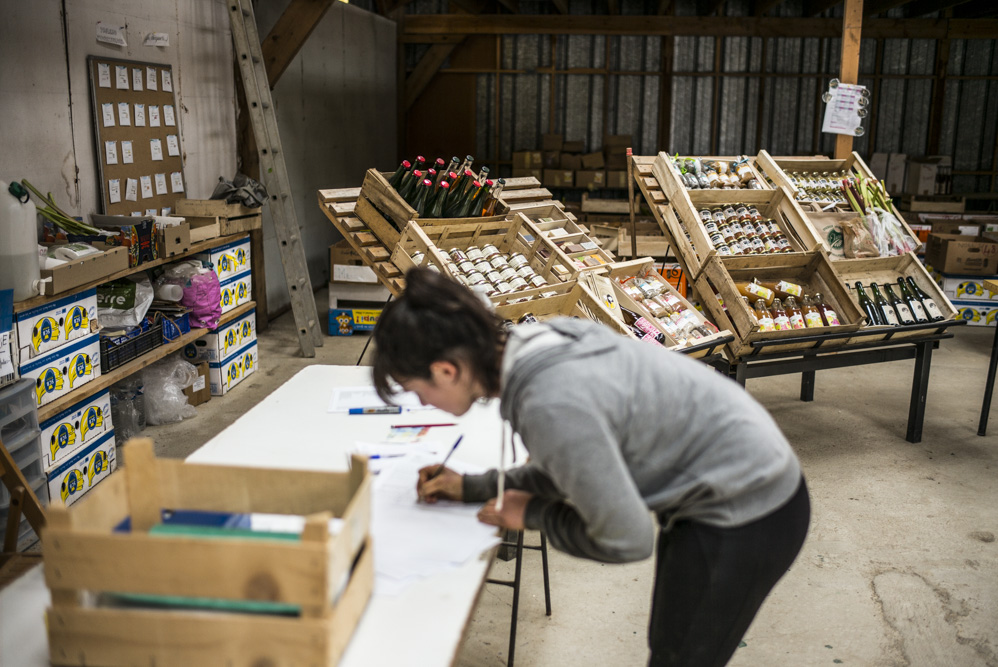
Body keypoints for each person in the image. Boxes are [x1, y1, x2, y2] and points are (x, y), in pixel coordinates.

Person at [372, 267, 810, 667]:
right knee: (670, 641)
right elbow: (576, 460)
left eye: (417, 391)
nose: (424, 406)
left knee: (681, 656)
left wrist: (534, 515)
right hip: (734, 472)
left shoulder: (549, 401)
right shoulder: (534, 344)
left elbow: (627, 539)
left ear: (447, 370)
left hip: (751, 508)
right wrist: (474, 487)